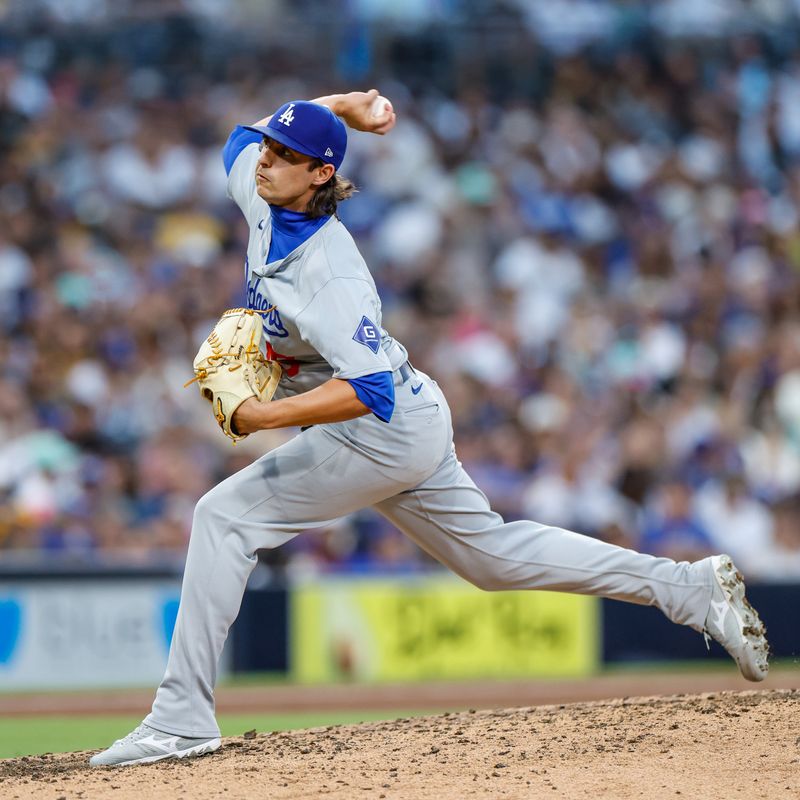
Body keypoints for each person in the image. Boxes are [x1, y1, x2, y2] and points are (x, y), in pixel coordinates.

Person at [89, 90, 769, 767]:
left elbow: (367, 391)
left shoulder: (330, 272)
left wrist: (263, 417)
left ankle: (180, 719)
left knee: (222, 517)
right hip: (412, 418)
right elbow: (240, 138)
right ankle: (689, 589)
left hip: (381, 426)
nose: (264, 160)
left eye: (285, 154)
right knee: (493, 560)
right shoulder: (263, 184)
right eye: (271, 149)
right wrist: (345, 107)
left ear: (320, 174)